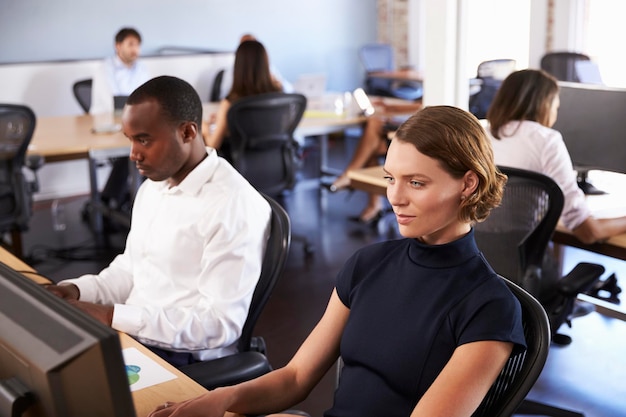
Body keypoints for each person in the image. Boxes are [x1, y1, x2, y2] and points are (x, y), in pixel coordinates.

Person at [148, 105, 526, 417]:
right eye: (390, 178)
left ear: (468, 184)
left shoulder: (491, 308)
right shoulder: (367, 265)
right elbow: (296, 377)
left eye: (416, 183)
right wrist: (223, 399)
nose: (395, 197)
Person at [47, 75, 272, 366]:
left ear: (188, 133)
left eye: (144, 139)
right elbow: (132, 269)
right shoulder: (154, 186)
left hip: (185, 356)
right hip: (136, 334)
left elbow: (219, 325)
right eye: (130, 140)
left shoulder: (234, 204)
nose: (133, 154)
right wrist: (77, 290)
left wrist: (112, 316)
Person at [485, 68, 626, 245]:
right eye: (556, 107)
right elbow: (588, 231)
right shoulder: (546, 140)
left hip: (474, 261)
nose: (555, 115)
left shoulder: (479, 136)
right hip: (518, 259)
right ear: (544, 105)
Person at [328, 98, 422, 224]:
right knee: (372, 137)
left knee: (373, 130)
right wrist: (390, 107)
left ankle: (350, 177)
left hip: (418, 134)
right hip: (408, 123)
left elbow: (423, 106)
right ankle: (373, 204)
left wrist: (392, 108)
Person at [203, 39, 284, 155]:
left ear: (238, 67)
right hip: (277, 165)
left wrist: (205, 129)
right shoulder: (278, 97)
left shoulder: (231, 103)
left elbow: (213, 145)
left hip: (241, 169)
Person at [90, 27, 151, 115]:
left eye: (137, 45)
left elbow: (147, 98)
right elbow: (113, 103)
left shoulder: (141, 67)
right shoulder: (105, 68)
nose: (135, 49)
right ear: (118, 46)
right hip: (106, 119)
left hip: (134, 118)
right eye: (130, 45)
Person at [218, 33, 293, 101]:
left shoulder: (270, 70)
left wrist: (273, 81)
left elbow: (289, 91)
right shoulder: (230, 72)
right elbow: (223, 96)